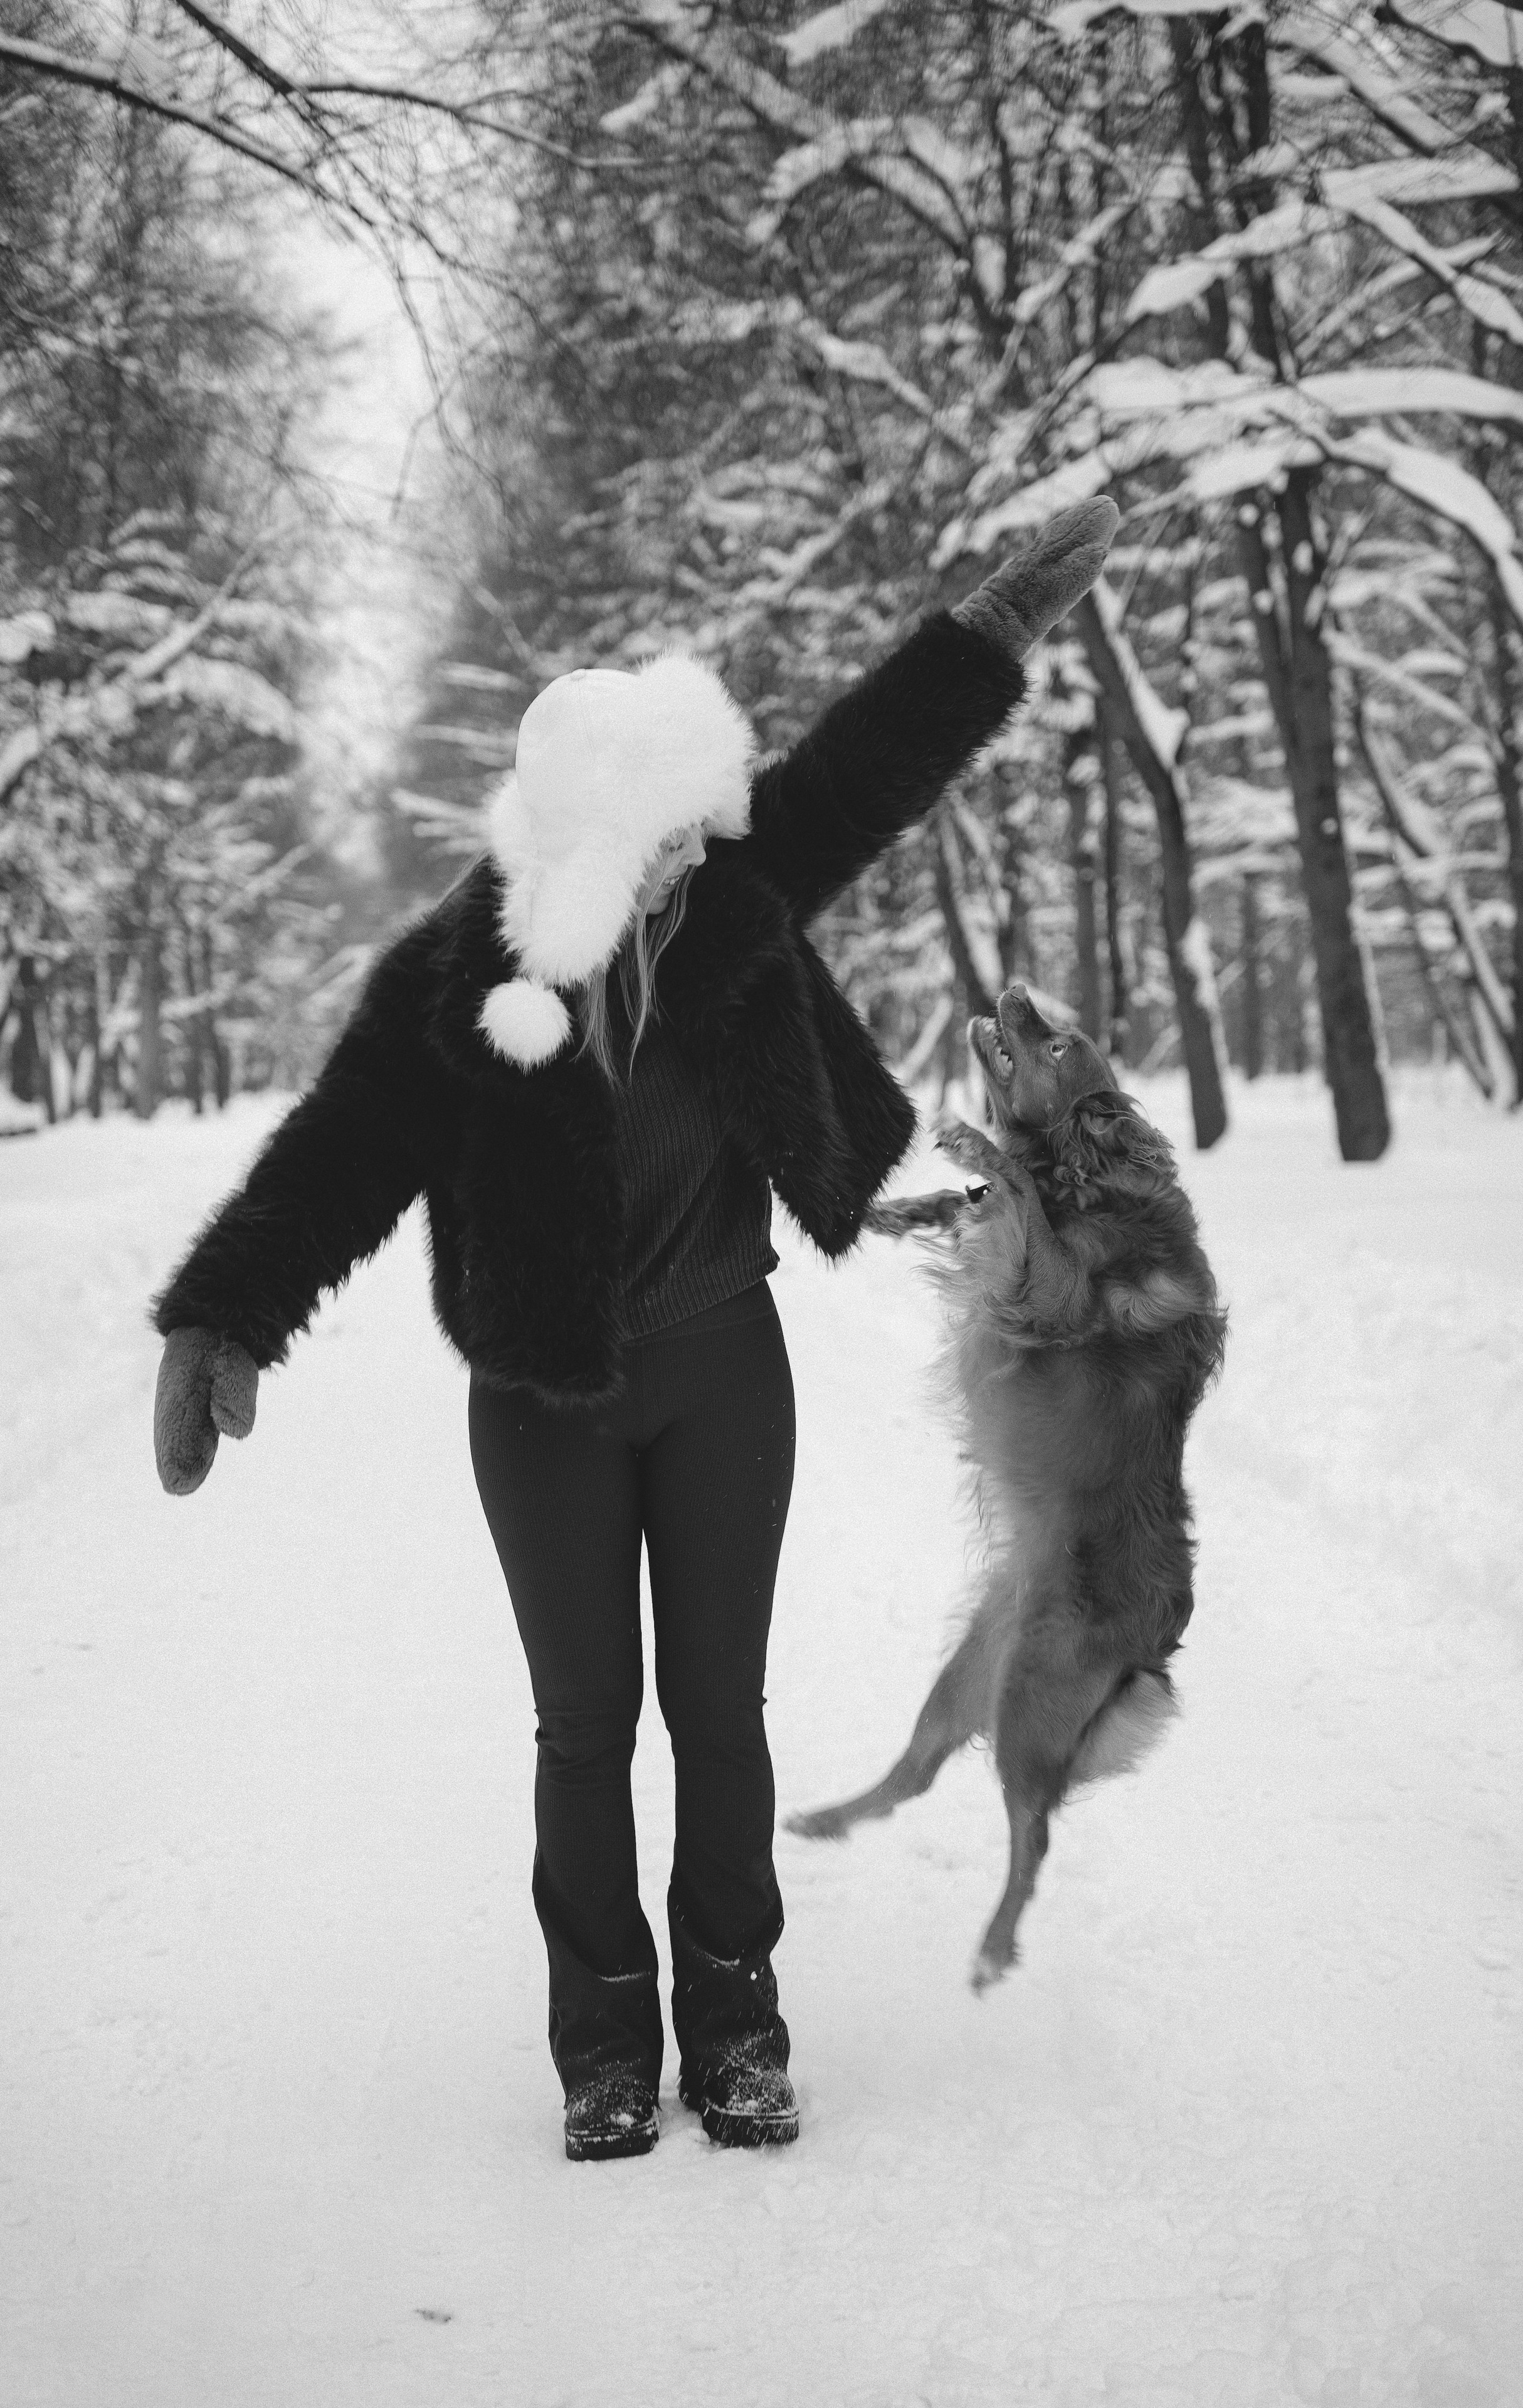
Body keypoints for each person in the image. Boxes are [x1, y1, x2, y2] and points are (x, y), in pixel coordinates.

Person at [149, 497, 1119, 2162]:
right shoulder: (460, 976)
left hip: (724, 1370)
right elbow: (340, 1156)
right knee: (584, 1725)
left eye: (697, 829)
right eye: (660, 834)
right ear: (580, 830)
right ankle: (605, 2043)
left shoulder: (730, 904)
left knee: (720, 1713)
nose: (689, 856)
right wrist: (225, 1314)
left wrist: (986, 639)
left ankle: (736, 2025)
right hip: (541, 1402)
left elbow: (861, 774)